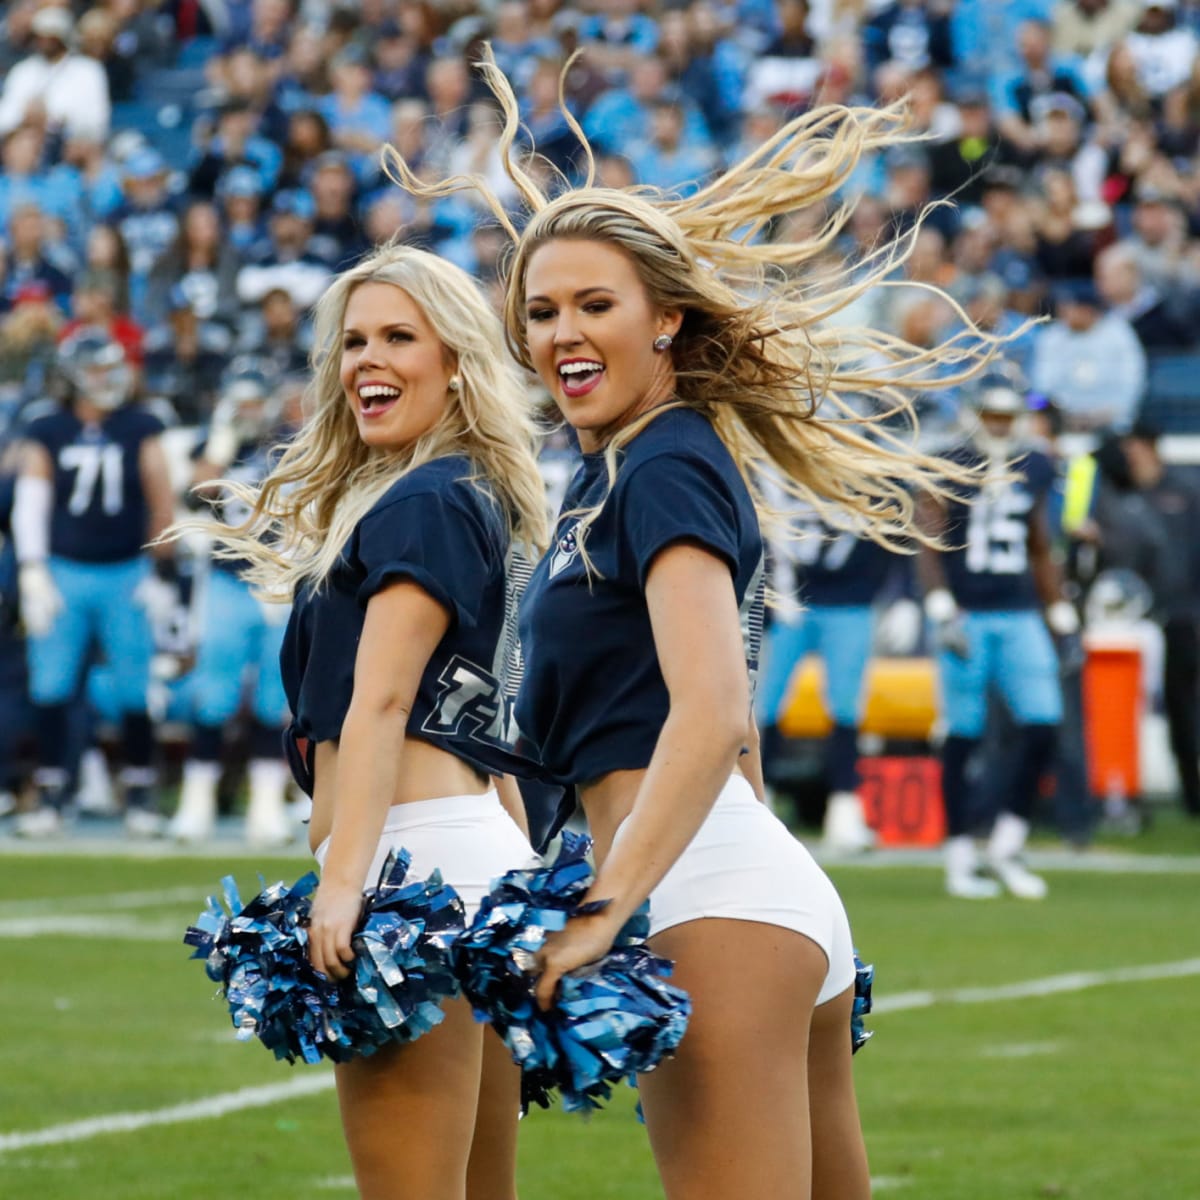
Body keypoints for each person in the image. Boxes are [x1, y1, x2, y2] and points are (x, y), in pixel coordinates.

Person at [388, 62, 993, 1200]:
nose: (562, 331)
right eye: (542, 310)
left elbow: (712, 710)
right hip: (743, 881)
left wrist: (608, 909)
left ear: (668, 318)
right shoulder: (617, 469)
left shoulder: (661, 463)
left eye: (595, 305)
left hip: (706, 898)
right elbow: (724, 713)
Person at [187, 242, 548, 1200]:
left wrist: (345, 884)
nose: (366, 362)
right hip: (473, 864)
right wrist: (520, 880)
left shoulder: (425, 500)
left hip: (408, 872)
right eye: (353, 342)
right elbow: (486, 721)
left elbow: (382, 701)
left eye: (399, 336)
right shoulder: (458, 492)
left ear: (458, 362)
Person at [11, 327, 177, 837]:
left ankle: (141, 790)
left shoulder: (140, 424)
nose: (108, 378)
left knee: (135, 690)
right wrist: (32, 568)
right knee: (51, 686)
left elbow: (161, 497)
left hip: (126, 571)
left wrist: (162, 571)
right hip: (64, 570)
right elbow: (32, 500)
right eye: (98, 369)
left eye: (112, 367)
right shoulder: (47, 427)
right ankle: (54, 791)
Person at [918, 375, 1078, 899]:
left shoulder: (1034, 463)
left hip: (1019, 611)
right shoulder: (950, 460)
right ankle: (960, 852)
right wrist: (940, 606)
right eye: (992, 415)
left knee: (1044, 725)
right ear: (975, 414)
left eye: (1008, 417)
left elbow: (1039, 543)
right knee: (962, 736)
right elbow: (929, 535)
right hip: (967, 612)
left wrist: (1060, 614)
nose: (1000, 427)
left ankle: (1007, 842)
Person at [168, 359, 296, 846]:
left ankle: (265, 807)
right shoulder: (214, 444)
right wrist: (221, 443)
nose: (247, 409)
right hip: (225, 582)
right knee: (213, 697)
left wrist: (287, 568)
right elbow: (195, 494)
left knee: (271, 699)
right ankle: (195, 803)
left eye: (252, 399)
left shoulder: (292, 443)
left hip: (276, 582)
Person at [1121, 418, 1200, 820]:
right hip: (1144, 620)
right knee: (1166, 708)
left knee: (1188, 708)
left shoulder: (1185, 495)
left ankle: (1193, 795)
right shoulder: (1125, 497)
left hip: (1186, 616)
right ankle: (1179, 796)